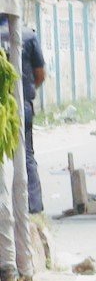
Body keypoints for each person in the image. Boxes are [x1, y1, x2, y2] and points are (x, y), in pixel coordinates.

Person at [0, 17, 46, 218]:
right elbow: (40, 73)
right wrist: (25, 92)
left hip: (5, 103)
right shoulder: (27, 35)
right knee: (26, 154)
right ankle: (33, 206)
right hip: (22, 105)